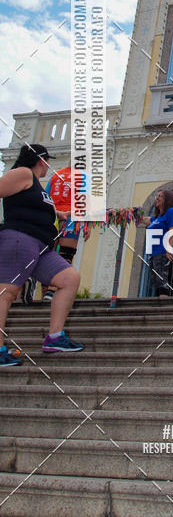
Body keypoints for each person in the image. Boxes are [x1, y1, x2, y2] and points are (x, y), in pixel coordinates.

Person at [0, 144, 84, 366]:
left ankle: (55, 337)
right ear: (41, 160)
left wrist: (60, 213)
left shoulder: (37, 185)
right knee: (7, 292)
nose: (48, 165)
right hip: (20, 238)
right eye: (47, 161)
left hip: (41, 246)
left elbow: (36, 204)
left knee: (69, 278)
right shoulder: (23, 173)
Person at [41, 165, 91, 302]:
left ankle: (45, 291)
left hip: (52, 217)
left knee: (47, 255)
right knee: (66, 255)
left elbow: (45, 197)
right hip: (71, 217)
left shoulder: (56, 175)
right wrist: (87, 225)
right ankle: (52, 290)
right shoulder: (84, 177)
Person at [140, 189, 173, 297]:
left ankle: (163, 304)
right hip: (154, 254)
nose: (157, 198)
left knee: (162, 281)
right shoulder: (157, 218)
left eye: (160, 196)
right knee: (156, 281)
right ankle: (159, 301)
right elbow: (144, 220)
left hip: (162, 252)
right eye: (156, 196)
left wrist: (169, 249)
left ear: (167, 199)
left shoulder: (170, 212)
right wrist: (129, 212)